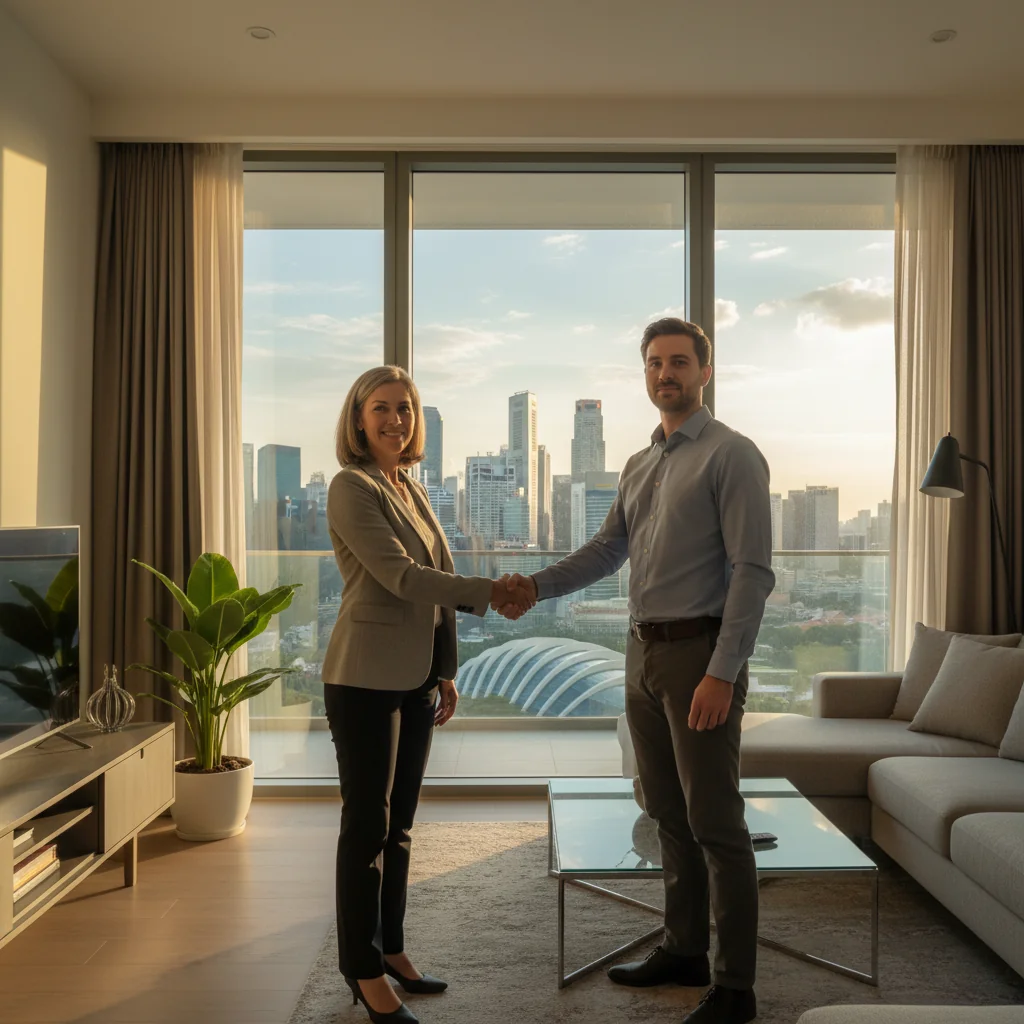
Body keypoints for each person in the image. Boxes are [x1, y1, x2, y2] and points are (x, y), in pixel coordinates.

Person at [505, 318, 775, 1024]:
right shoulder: (638, 463)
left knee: (717, 822)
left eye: (679, 362)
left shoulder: (732, 456)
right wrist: (535, 586)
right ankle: (682, 950)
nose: (666, 374)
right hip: (641, 653)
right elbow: (604, 550)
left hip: (698, 658)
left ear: (704, 372)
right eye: (655, 363)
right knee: (666, 815)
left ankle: (736, 988)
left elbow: (752, 573)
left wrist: (723, 671)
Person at [323, 365, 534, 1024]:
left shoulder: (408, 484)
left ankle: (392, 950)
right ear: (358, 419)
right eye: (381, 408)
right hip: (363, 679)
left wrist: (445, 669)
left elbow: (434, 575)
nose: (395, 420)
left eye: (406, 409)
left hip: (414, 675)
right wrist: (490, 592)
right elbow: (403, 579)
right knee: (367, 829)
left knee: (402, 828)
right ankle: (361, 969)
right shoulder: (351, 486)